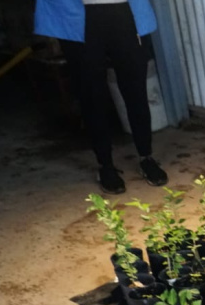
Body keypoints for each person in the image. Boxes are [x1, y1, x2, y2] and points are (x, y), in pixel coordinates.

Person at [34, 0, 168, 194]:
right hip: (77, 14)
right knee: (91, 94)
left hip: (124, 10)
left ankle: (146, 157)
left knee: (136, 90)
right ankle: (105, 165)